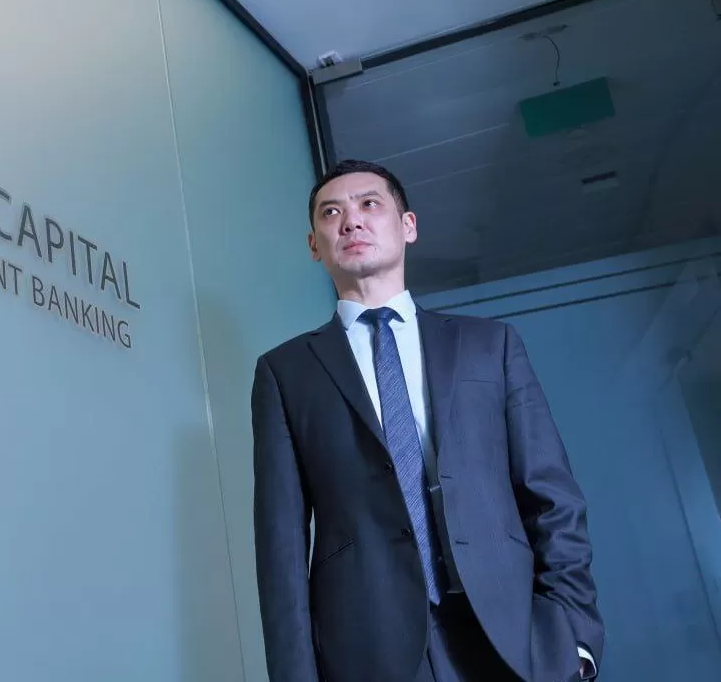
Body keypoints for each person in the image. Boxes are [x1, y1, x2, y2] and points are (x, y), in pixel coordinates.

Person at [251, 160, 603, 682]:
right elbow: (280, 547)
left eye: (369, 204)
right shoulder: (285, 372)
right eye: (331, 213)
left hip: (512, 637)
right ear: (314, 245)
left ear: (408, 226)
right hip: (367, 649)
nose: (351, 221)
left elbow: (551, 496)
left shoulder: (490, 345)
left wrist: (575, 636)